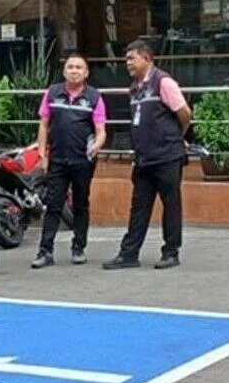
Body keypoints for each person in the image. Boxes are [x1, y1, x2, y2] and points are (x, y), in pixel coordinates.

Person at [104, 40, 192, 271]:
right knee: (139, 206)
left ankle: (171, 252)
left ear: (146, 58)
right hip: (144, 158)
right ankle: (129, 253)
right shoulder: (134, 87)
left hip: (167, 156)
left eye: (132, 58)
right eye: (126, 60)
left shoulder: (163, 82)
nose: (128, 64)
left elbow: (184, 113)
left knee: (171, 204)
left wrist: (175, 136)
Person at [32, 53, 107, 268]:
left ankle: (79, 247)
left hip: (83, 161)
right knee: (53, 205)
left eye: (78, 67)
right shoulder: (52, 93)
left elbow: (101, 130)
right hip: (57, 160)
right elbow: (43, 125)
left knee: (81, 204)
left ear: (86, 73)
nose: (74, 71)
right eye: (70, 67)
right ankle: (45, 251)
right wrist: (41, 155)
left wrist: (97, 145)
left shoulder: (94, 97)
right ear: (64, 71)